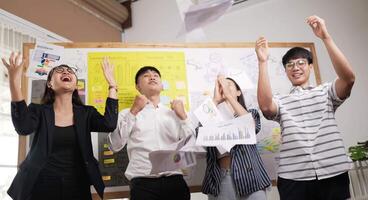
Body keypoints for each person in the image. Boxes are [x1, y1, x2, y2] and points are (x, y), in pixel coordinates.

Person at [255, 15, 355, 200]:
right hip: (294, 177)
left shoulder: (326, 92)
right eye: (290, 65)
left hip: (333, 171)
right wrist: (262, 62)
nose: (295, 67)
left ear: (310, 66)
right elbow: (266, 106)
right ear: (285, 71)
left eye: (301, 62)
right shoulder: (281, 100)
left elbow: (348, 78)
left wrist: (325, 37)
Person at [2, 53, 119, 200]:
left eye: (70, 71)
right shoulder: (39, 111)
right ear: (50, 84)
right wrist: (14, 80)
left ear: (76, 85)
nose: (66, 72)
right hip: (41, 184)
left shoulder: (86, 113)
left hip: (77, 185)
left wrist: (112, 85)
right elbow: (23, 128)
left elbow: (109, 124)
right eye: (59, 71)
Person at [107, 66, 194, 200]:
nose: (152, 77)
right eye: (146, 76)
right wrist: (134, 111)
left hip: (175, 181)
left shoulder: (175, 112)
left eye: (156, 75)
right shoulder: (126, 114)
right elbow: (114, 145)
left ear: (162, 85)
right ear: (138, 86)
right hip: (143, 184)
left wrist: (183, 116)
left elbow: (191, 148)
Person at [200, 75, 271, 200]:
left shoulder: (250, 112)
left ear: (238, 92)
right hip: (221, 177)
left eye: (229, 84)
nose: (224, 87)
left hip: (251, 177)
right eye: (221, 86)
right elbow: (200, 134)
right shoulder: (211, 116)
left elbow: (251, 126)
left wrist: (229, 97)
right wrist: (215, 101)